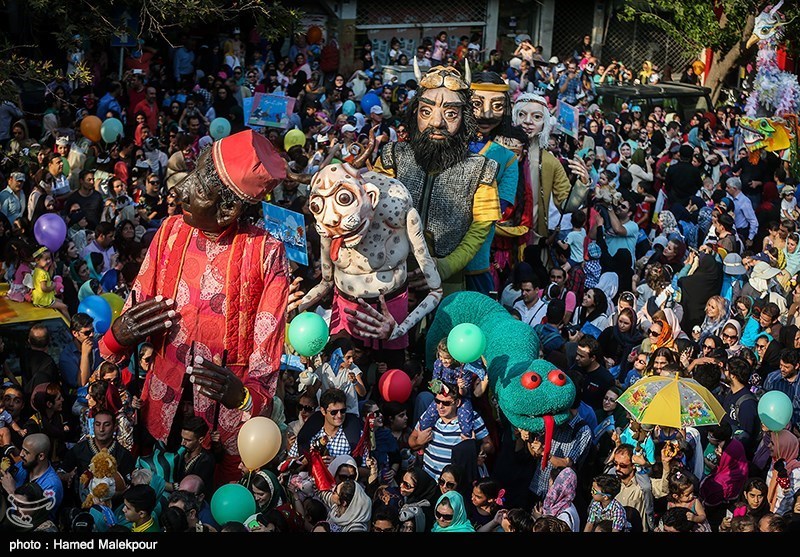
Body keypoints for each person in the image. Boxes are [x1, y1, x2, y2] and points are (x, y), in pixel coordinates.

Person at [99, 130, 290, 485]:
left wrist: (246, 396)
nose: (180, 192)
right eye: (189, 179)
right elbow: (132, 314)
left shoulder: (267, 252)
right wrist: (119, 336)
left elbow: (268, 345)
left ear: (229, 208)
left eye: (198, 189)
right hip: (160, 403)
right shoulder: (170, 230)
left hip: (223, 418)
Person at [374, 61, 502, 295]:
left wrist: (444, 267)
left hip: (450, 284)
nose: (436, 122)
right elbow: (375, 211)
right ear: (415, 113)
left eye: (451, 113)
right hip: (391, 275)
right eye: (426, 111)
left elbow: (480, 229)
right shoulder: (391, 157)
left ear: (465, 117)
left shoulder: (482, 170)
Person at [408, 381, 492, 482]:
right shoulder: (429, 417)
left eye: (446, 403)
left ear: (457, 403)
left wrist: (478, 450)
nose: (440, 406)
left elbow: (489, 445)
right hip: (430, 481)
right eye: (437, 401)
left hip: (454, 484)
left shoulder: (471, 419)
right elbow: (411, 441)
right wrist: (418, 442)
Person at [419, 339, 488, 439]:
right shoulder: (438, 364)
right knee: (426, 419)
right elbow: (433, 384)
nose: (443, 360)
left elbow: (464, 393)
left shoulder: (464, 368)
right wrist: (440, 387)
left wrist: (461, 387)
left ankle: (466, 445)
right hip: (443, 397)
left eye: (446, 358)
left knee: (466, 423)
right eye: (440, 356)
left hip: (461, 398)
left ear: (454, 356)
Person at [1, 433, 64, 521]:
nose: (21, 455)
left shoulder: (52, 486)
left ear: (41, 456)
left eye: (26, 452)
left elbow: (33, 516)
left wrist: (12, 492)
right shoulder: (22, 466)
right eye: (22, 449)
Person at [766, 429, 800, 515]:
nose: (769, 446)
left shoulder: (795, 471)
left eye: (773, 444)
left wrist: (784, 481)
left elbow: (789, 501)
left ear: (783, 446)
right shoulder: (774, 463)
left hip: (781, 516)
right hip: (768, 511)